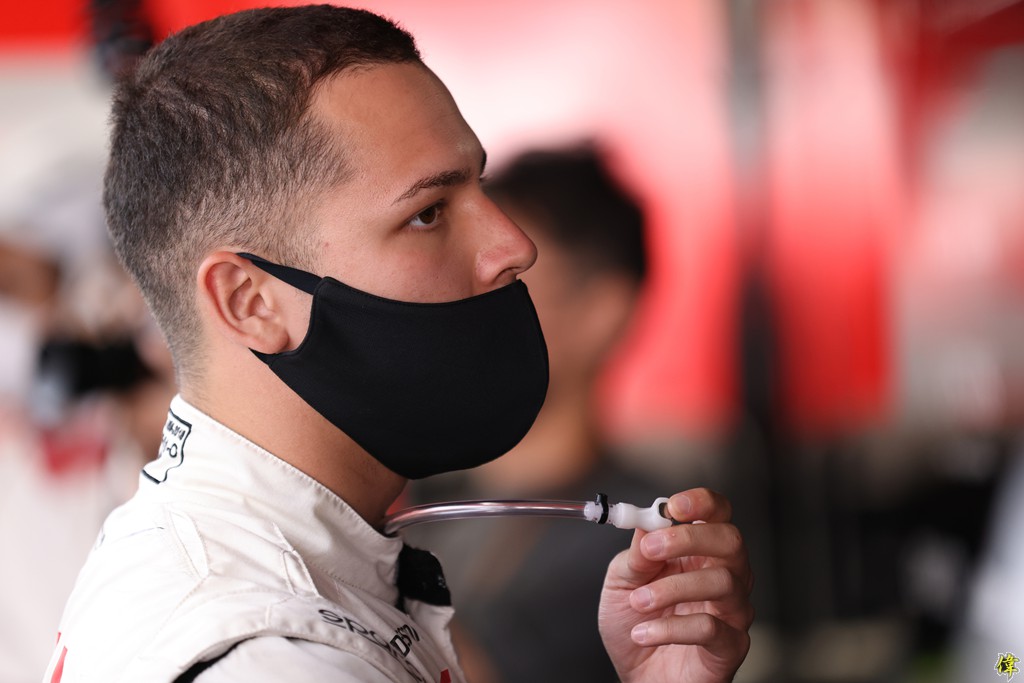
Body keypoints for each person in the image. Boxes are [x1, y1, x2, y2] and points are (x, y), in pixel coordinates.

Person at [46, 6, 753, 682]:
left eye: (480, 188)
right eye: (429, 213)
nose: (514, 246)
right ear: (250, 302)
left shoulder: (292, 571)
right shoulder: (276, 659)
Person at [405, 144, 663, 683]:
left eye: (505, 283)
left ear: (601, 312)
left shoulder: (641, 534)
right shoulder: (428, 501)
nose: (459, 311)